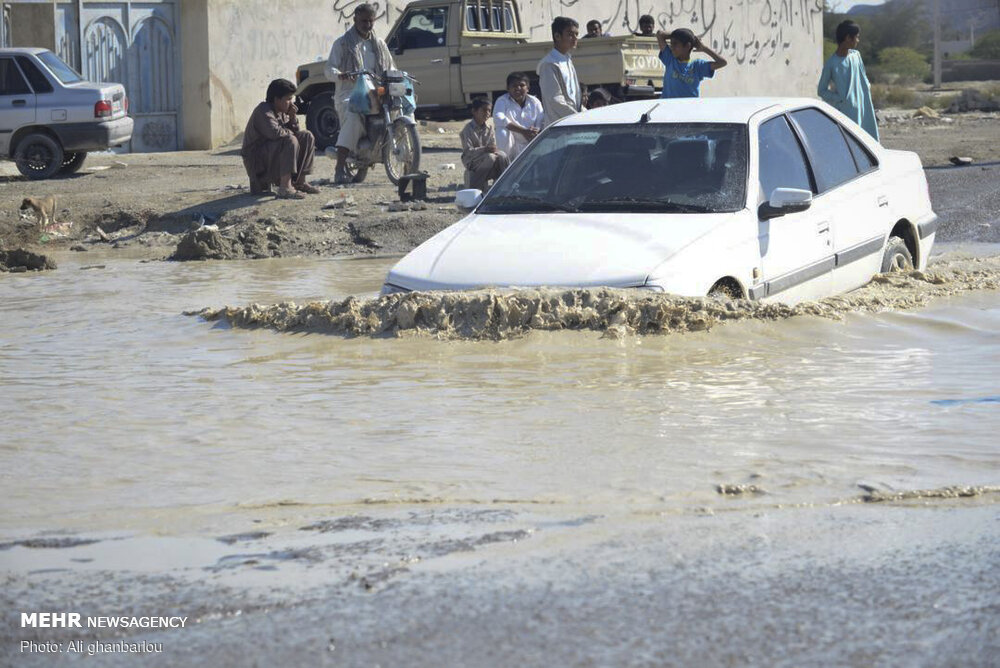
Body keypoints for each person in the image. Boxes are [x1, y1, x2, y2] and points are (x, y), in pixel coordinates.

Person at [325, 3, 396, 184]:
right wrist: (340, 75)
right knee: (354, 115)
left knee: (398, 109)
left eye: (370, 21)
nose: (367, 24)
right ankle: (340, 168)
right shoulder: (342, 43)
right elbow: (329, 69)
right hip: (350, 92)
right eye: (363, 21)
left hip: (376, 93)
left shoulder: (379, 44)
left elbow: (391, 67)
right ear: (355, 19)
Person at [241, 78, 319, 199]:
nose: (291, 104)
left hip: (270, 156)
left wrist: (292, 118)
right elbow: (275, 133)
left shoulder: (282, 112)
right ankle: (285, 187)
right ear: (277, 99)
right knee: (290, 140)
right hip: (257, 162)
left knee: (307, 136)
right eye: (288, 99)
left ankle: (300, 182)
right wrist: (290, 132)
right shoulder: (263, 110)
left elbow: (296, 134)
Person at [818, 20, 879, 141]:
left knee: (868, 142)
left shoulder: (856, 55)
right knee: (852, 143)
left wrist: (866, 87)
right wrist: (841, 99)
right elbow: (821, 91)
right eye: (856, 37)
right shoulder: (831, 64)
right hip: (847, 113)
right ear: (847, 38)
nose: (858, 40)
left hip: (864, 108)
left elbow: (863, 77)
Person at [655, 28, 727, 98]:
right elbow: (660, 34)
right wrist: (683, 35)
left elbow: (722, 62)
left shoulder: (697, 65)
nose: (672, 47)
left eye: (675, 44)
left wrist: (704, 48)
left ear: (687, 46)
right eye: (671, 44)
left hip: (689, 108)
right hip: (668, 107)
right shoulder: (670, 59)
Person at [536, 17, 582, 127]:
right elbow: (555, 100)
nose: (575, 38)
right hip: (560, 126)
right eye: (570, 34)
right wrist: (577, 117)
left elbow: (575, 96)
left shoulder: (567, 60)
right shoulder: (549, 64)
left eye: (576, 34)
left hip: (573, 123)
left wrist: (584, 114)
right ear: (557, 36)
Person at [493, 72, 544, 161]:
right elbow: (499, 118)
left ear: (528, 88)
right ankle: (505, 165)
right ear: (508, 88)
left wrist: (536, 130)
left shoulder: (535, 102)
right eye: (514, 86)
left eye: (522, 85)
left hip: (531, 140)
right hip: (511, 144)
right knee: (502, 131)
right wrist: (523, 131)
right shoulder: (502, 101)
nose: (518, 88)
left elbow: (541, 120)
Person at [461, 98, 509, 191]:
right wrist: (485, 149)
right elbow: (468, 151)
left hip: (487, 157)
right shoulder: (467, 130)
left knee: (503, 156)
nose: (487, 113)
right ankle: (476, 186)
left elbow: (493, 146)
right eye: (484, 110)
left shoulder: (489, 128)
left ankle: (504, 186)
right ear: (474, 111)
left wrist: (494, 150)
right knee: (490, 157)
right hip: (472, 161)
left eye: (489, 110)